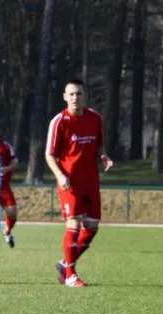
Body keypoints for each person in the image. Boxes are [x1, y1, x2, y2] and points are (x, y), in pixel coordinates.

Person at [45, 79, 113, 288]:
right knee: (73, 223)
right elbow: (49, 155)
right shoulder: (60, 121)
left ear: (85, 96)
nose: (75, 98)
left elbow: (99, 145)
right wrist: (60, 175)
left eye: (79, 94)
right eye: (71, 94)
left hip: (91, 180)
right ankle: (70, 275)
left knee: (92, 227)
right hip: (69, 182)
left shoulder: (95, 118)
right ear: (65, 97)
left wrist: (104, 157)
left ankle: (65, 263)